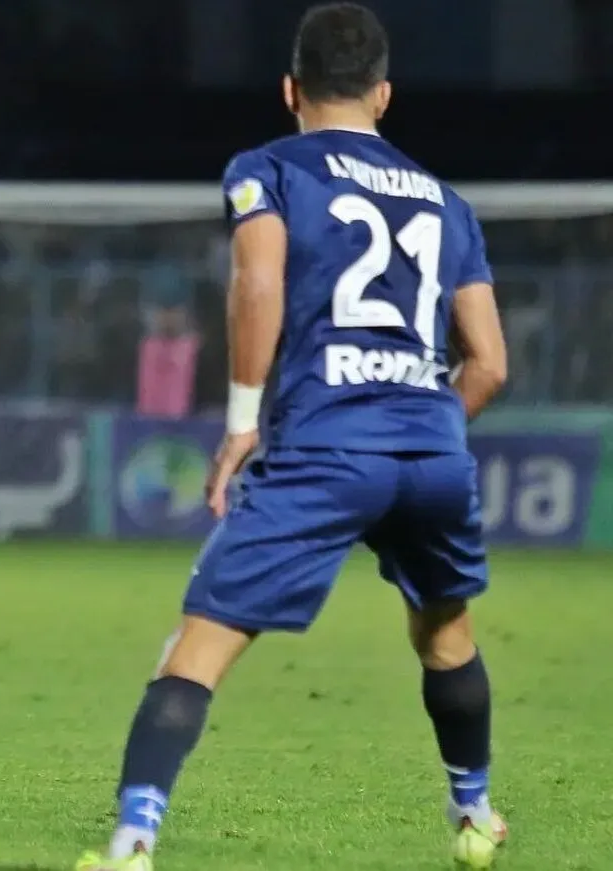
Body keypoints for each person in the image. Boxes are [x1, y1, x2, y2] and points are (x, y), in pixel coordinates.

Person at [75, 4, 509, 869]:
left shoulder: (269, 169)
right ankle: (475, 812)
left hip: (325, 445)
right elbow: (490, 363)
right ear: (383, 94)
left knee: (198, 645)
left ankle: (132, 840)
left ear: (289, 89)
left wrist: (242, 422)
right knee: (446, 636)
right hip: (432, 453)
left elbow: (258, 282)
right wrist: (420, 423)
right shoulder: (447, 202)